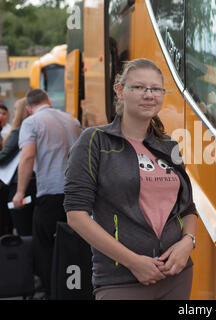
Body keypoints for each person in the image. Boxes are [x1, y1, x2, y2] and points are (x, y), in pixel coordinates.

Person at [64, 58, 198, 300]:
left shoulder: (168, 146)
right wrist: (134, 262)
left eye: (156, 89)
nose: (149, 95)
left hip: (177, 275)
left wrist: (188, 242)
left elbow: (187, 207)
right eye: (139, 87)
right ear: (120, 90)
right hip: (121, 280)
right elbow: (76, 216)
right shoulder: (95, 141)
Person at [12, 89, 81, 297]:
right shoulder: (73, 120)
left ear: (28, 108)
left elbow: (27, 157)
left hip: (50, 193)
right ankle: (74, 290)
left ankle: (53, 291)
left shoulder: (31, 123)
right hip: (77, 195)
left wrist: (19, 192)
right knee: (73, 245)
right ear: (48, 100)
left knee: (45, 246)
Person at [0, 98, 36, 236]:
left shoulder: (18, 131)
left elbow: (4, 156)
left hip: (19, 184)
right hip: (34, 183)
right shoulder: (35, 128)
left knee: (22, 226)